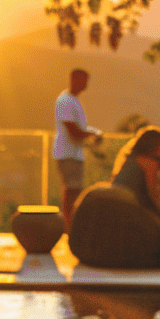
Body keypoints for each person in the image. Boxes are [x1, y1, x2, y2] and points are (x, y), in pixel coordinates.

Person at [53, 68, 101, 232]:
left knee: (74, 190)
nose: (86, 84)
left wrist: (91, 132)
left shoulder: (73, 100)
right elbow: (74, 130)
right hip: (68, 154)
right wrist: (92, 134)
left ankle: (70, 227)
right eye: (83, 80)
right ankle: (69, 228)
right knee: (71, 191)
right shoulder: (65, 100)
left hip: (74, 154)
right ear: (74, 80)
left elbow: (78, 128)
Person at [110, 126, 160, 227]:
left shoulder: (133, 159)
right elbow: (154, 195)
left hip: (116, 205)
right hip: (128, 209)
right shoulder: (148, 162)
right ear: (154, 146)